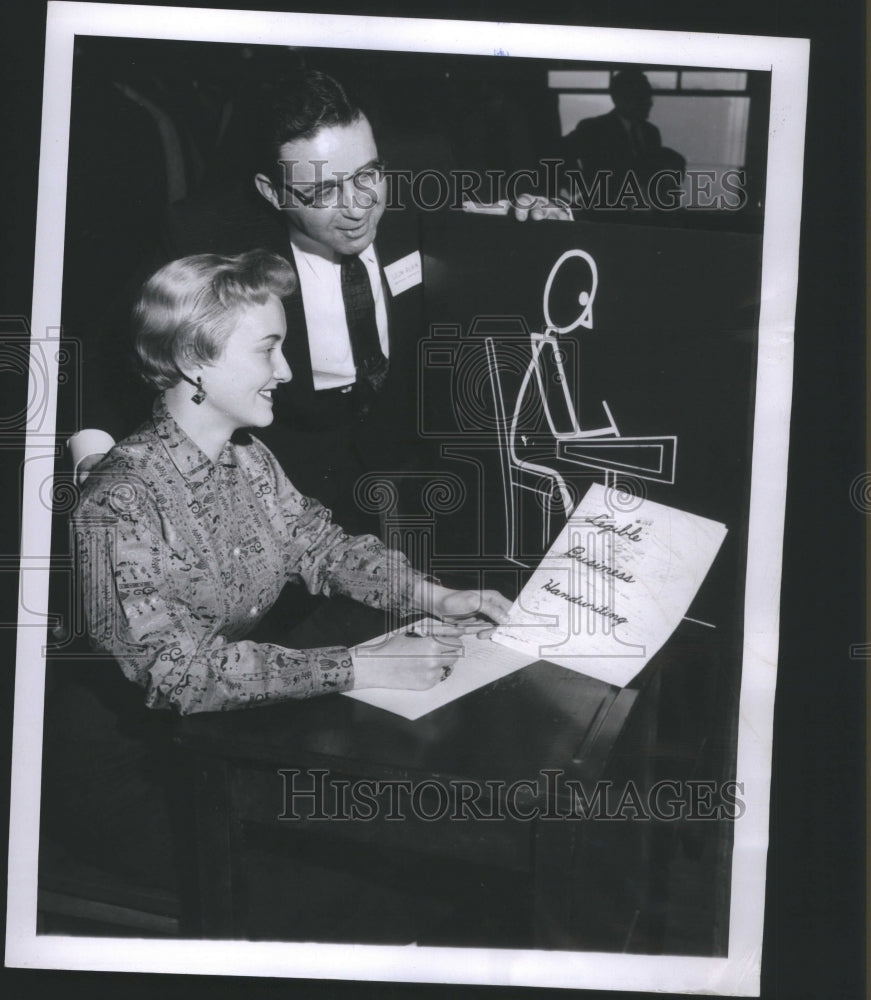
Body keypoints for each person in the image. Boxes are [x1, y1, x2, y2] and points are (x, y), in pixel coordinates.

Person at [43, 250, 511, 887]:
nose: (286, 371)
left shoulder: (249, 459)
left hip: (218, 742)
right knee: (361, 876)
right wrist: (361, 665)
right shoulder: (118, 501)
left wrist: (431, 595)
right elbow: (176, 675)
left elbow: (322, 546)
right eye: (268, 349)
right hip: (135, 776)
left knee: (393, 850)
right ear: (193, 360)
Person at [68, 69, 569, 530]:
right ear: (273, 191)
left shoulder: (426, 182)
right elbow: (113, 355)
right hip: (288, 467)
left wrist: (543, 228)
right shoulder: (206, 233)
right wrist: (96, 454)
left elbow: (512, 245)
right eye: (323, 192)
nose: (356, 209)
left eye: (368, 176)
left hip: (422, 456)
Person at [556, 68, 683, 212]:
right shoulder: (593, 128)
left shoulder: (651, 132)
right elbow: (562, 153)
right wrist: (579, 188)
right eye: (640, 97)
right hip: (603, 209)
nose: (649, 103)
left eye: (649, 97)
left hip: (641, 210)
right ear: (619, 98)